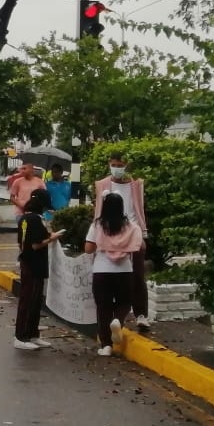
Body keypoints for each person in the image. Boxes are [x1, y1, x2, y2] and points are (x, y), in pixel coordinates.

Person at [93, 153, 151, 330]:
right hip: (110, 233)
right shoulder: (102, 184)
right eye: (114, 165)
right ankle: (118, 317)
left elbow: (139, 210)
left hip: (133, 233)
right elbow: (98, 210)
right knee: (116, 277)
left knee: (138, 275)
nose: (117, 168)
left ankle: (141, 314)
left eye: (120, 165)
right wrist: (96, 234)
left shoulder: (136, 184)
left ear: (127, 165)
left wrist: (143, 233)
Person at [85, 191, 144, 357]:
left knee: (103, 308)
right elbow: (140, 246)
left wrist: (102, 244)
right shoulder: (131, 226)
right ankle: (118, 319)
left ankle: (106, 346)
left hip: (101, 270)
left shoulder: (97, 225)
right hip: (124, 270)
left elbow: (88, 249)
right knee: (124, 302)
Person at [14, 189, 56, 350]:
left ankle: (32, 334)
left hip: (28, 262)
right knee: (29, 301)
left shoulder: (25, 218)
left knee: (35, 300)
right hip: (33, 263)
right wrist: (53, 238)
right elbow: (36, 245)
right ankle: (21, 337)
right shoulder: (35, 219)